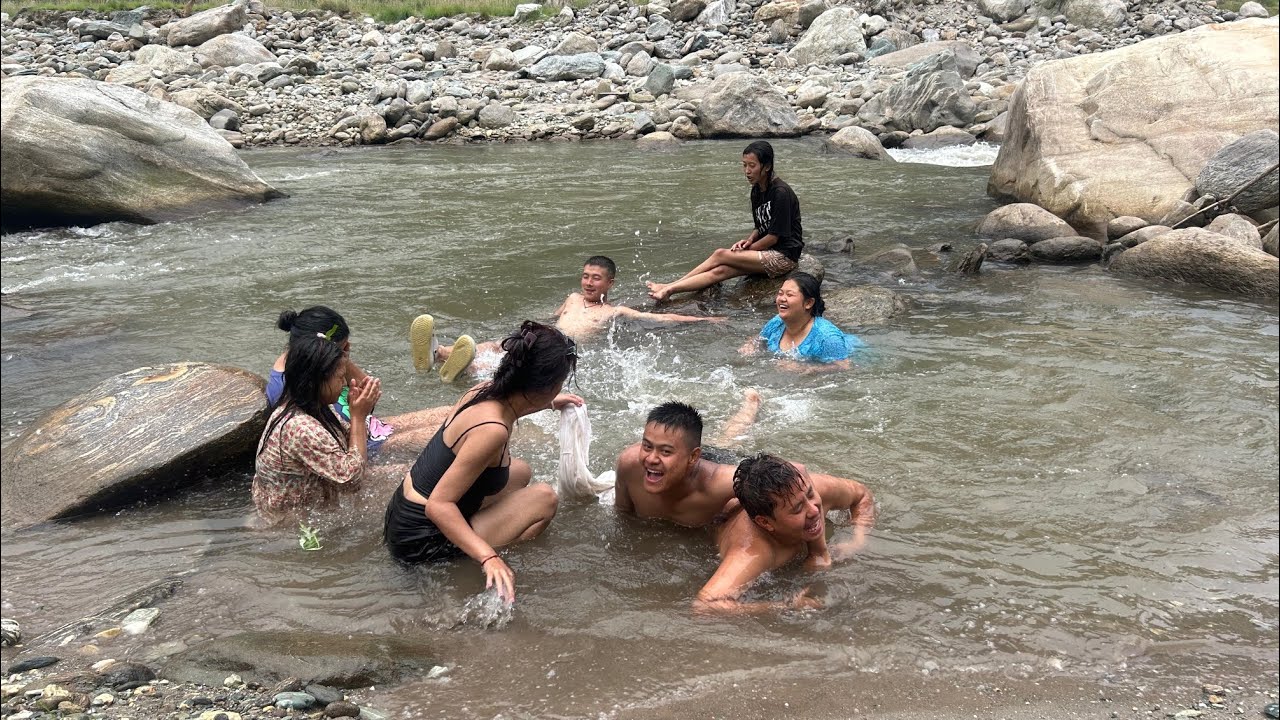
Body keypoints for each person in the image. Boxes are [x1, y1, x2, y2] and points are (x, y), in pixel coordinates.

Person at [384, 320, 583, 603]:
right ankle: (469, 563)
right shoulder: (493, 431)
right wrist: (488, 557)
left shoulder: (484, 391)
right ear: (546, 385)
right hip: (419, 542)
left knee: (520, 471)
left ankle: (479, 534)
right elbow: (438, 506)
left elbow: (514, 406)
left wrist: (551, 402)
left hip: (401, 515)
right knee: (544, 498)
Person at [413, 256, 722, 382]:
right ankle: (439, 353)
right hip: (544, 336)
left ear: (610, 283)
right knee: (499, 344)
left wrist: (704, 321)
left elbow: (662, 318)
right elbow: (551, 316)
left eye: (596, 278)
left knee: (513, 363)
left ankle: (466, 369)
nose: (588, 282)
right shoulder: (573, 298)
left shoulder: (614, 312)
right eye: (585, 276)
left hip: (561, 351)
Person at [613, 398, 863, 530]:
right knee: (722, 439)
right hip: (692, 456)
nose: (651, 458)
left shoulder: (719, 483)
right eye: (647, 446)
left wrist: (818, 553)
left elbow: (797, 472)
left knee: (727, 442)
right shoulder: (629, 465)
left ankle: (750, 405)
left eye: (665, 451)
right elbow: (622, 514)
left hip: (716, 461)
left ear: (693, 457)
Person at [695, 453, 875, 613]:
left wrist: (857, 541)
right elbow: (705, 604)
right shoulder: (754, 551)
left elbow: (862, 494)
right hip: (708, 483)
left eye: (810, 495)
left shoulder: (807, 489)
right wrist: (784, 605)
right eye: (797, 509)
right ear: (765, 523)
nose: (814, 510)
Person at [269, 306, 450, 454]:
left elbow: (369, 391)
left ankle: (440, 354)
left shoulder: (316, 363)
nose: (347, 350)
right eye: (342, 348)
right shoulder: (291, 386)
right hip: (364, 445)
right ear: (318, 350)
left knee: (452, 413)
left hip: (369, 426)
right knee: (450, 432)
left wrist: (343, 359)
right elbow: (331, 444)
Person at [647, 141, 803, 302]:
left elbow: (773, 237)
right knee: (720, 271)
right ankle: (669, 290)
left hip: (784, 256)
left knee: (720, 254)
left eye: (752, 166)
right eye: (744, 165)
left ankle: (668, 285)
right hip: (764, 253)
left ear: (767, 166)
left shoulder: (780, 193)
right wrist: (749, 240)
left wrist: (746, 251)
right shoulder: (757, 190)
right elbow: (760, 227)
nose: (747, 171)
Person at [253, 334, 382, 526]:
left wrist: (358, 407)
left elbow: (350, 440)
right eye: (340, 377)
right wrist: (358, 417)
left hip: (311, 504)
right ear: (317, 381)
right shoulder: (301, 428)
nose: (344, 384)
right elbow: (352, 481)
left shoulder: (313, 407)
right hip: (291, 524)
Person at [740, 272, 864, 371]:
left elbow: (844, 366)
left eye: (789, 295)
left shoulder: (827, 337)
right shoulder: (777, 322)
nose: (782, 299)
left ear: (808, 303)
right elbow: (760, 339)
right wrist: (750, 346)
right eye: (780, 293)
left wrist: (804, 368)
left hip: (857, 351)